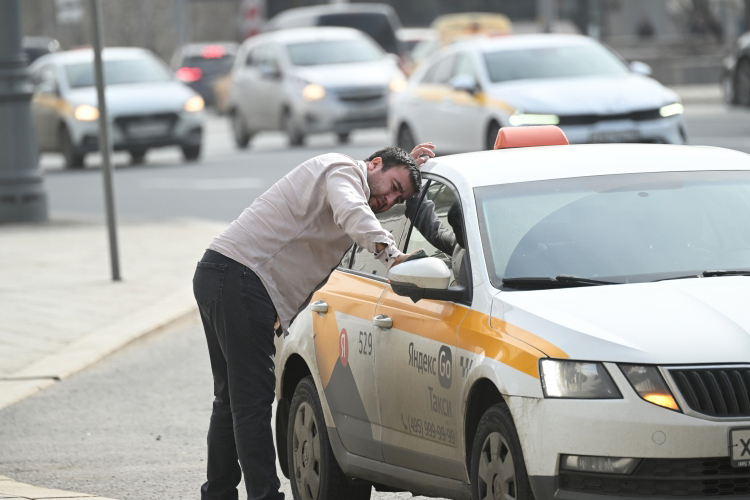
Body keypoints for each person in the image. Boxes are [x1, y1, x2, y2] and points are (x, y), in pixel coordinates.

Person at [192, 143, 435, 500]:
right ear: (374, 163)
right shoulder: (342, 170)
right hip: (241, 278)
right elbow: (353, 210)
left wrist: (406, 171)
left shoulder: (360, 177)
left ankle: (218, 492)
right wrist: (391, 255)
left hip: (221, 272)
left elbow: (370, 195)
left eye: (399, 198)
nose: (389, 200)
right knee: (252, 401)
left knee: (232, 398)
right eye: (393, 187)